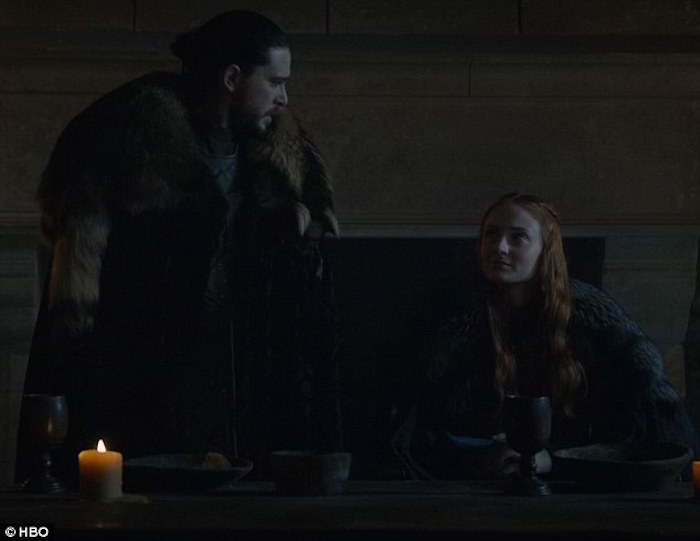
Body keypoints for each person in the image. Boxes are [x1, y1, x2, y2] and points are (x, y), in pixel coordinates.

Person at [17, 10, 342, 487]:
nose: (284, 97)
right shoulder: (127, 142)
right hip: (144, 398)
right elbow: (84, 298)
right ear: (232, 78)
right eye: (275, 82)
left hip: (245, 395)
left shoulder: (280, 163)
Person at [390, 192, 698, 480]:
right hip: (469, 475)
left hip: (574, 477)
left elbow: (629, 424)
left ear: (545, 250)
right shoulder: (448, 315)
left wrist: (551, 459)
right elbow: (417, 423)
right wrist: (479, 458)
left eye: (518, 237)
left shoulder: (592, 321)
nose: (499, 247)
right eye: (491, 234)